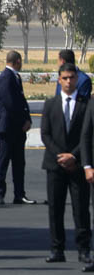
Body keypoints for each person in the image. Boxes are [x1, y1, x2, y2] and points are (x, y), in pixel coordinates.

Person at [43, 63, 90, 264]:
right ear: (59, 80)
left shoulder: (85, 105)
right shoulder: (50, 104)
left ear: (77, 79)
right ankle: (57, 249)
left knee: (80, 209)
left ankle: (83, 249)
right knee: (55, 208)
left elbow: (87, 136)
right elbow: (45, 134)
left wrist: (73, 156)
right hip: (55, 165)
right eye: (65, 78)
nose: (69, 81)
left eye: (72, 77)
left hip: (77, 165)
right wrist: (60, 155)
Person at [0, 50, 36, 205]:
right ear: (17, 61)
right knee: (3, 161)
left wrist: (28, 119)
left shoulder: (15, 77)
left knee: (19, 162)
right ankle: (0, 194)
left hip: (17, 128)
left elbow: (21, 101)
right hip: (7, 127)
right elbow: (10, 103)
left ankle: (19, 194)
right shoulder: (6, 77)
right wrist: (22, 121)